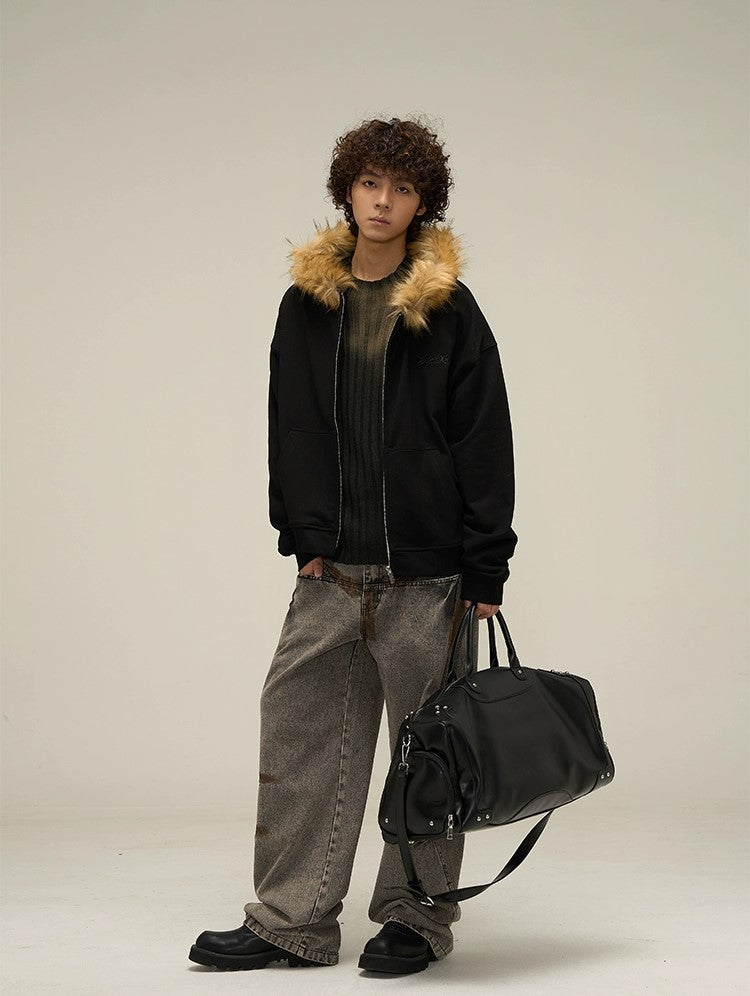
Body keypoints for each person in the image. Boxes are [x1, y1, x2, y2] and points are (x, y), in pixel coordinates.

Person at [188, 115, 518, 975]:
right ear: (347, 190)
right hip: (331, 573)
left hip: (428, 576)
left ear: (421, 202)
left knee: (428, 753)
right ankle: (292, 922)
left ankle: (416, 917)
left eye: (402, 188)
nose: (383, 200)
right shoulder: (307, 304)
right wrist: (300, 535)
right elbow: (287, 422)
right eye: (371, 182)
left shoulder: (450, 309)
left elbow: (484, 439)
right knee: (300, 738)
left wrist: (485, 566)